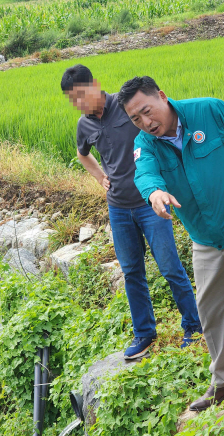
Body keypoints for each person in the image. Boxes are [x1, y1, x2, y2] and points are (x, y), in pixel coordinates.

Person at [117, 76, 224, 414]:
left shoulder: (210, 111)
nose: (146, 123)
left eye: (147, 112)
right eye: (135, 119)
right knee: (208, 309)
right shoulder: (145, 143)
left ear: (162, 97)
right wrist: (154, 191)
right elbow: (144, 173)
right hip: (204, 238)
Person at [61, 65, 202, 360]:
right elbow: (82, 154)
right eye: (72, 100)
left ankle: (194, 326)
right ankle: (145, 334)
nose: (80, 103)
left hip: (150, 203)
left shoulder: (126, 108)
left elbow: (160, 126)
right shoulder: (84, 125)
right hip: (119, 207)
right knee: (131, 272)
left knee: (170, 267)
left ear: (95, 85)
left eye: (81, 95)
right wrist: (100, 178)